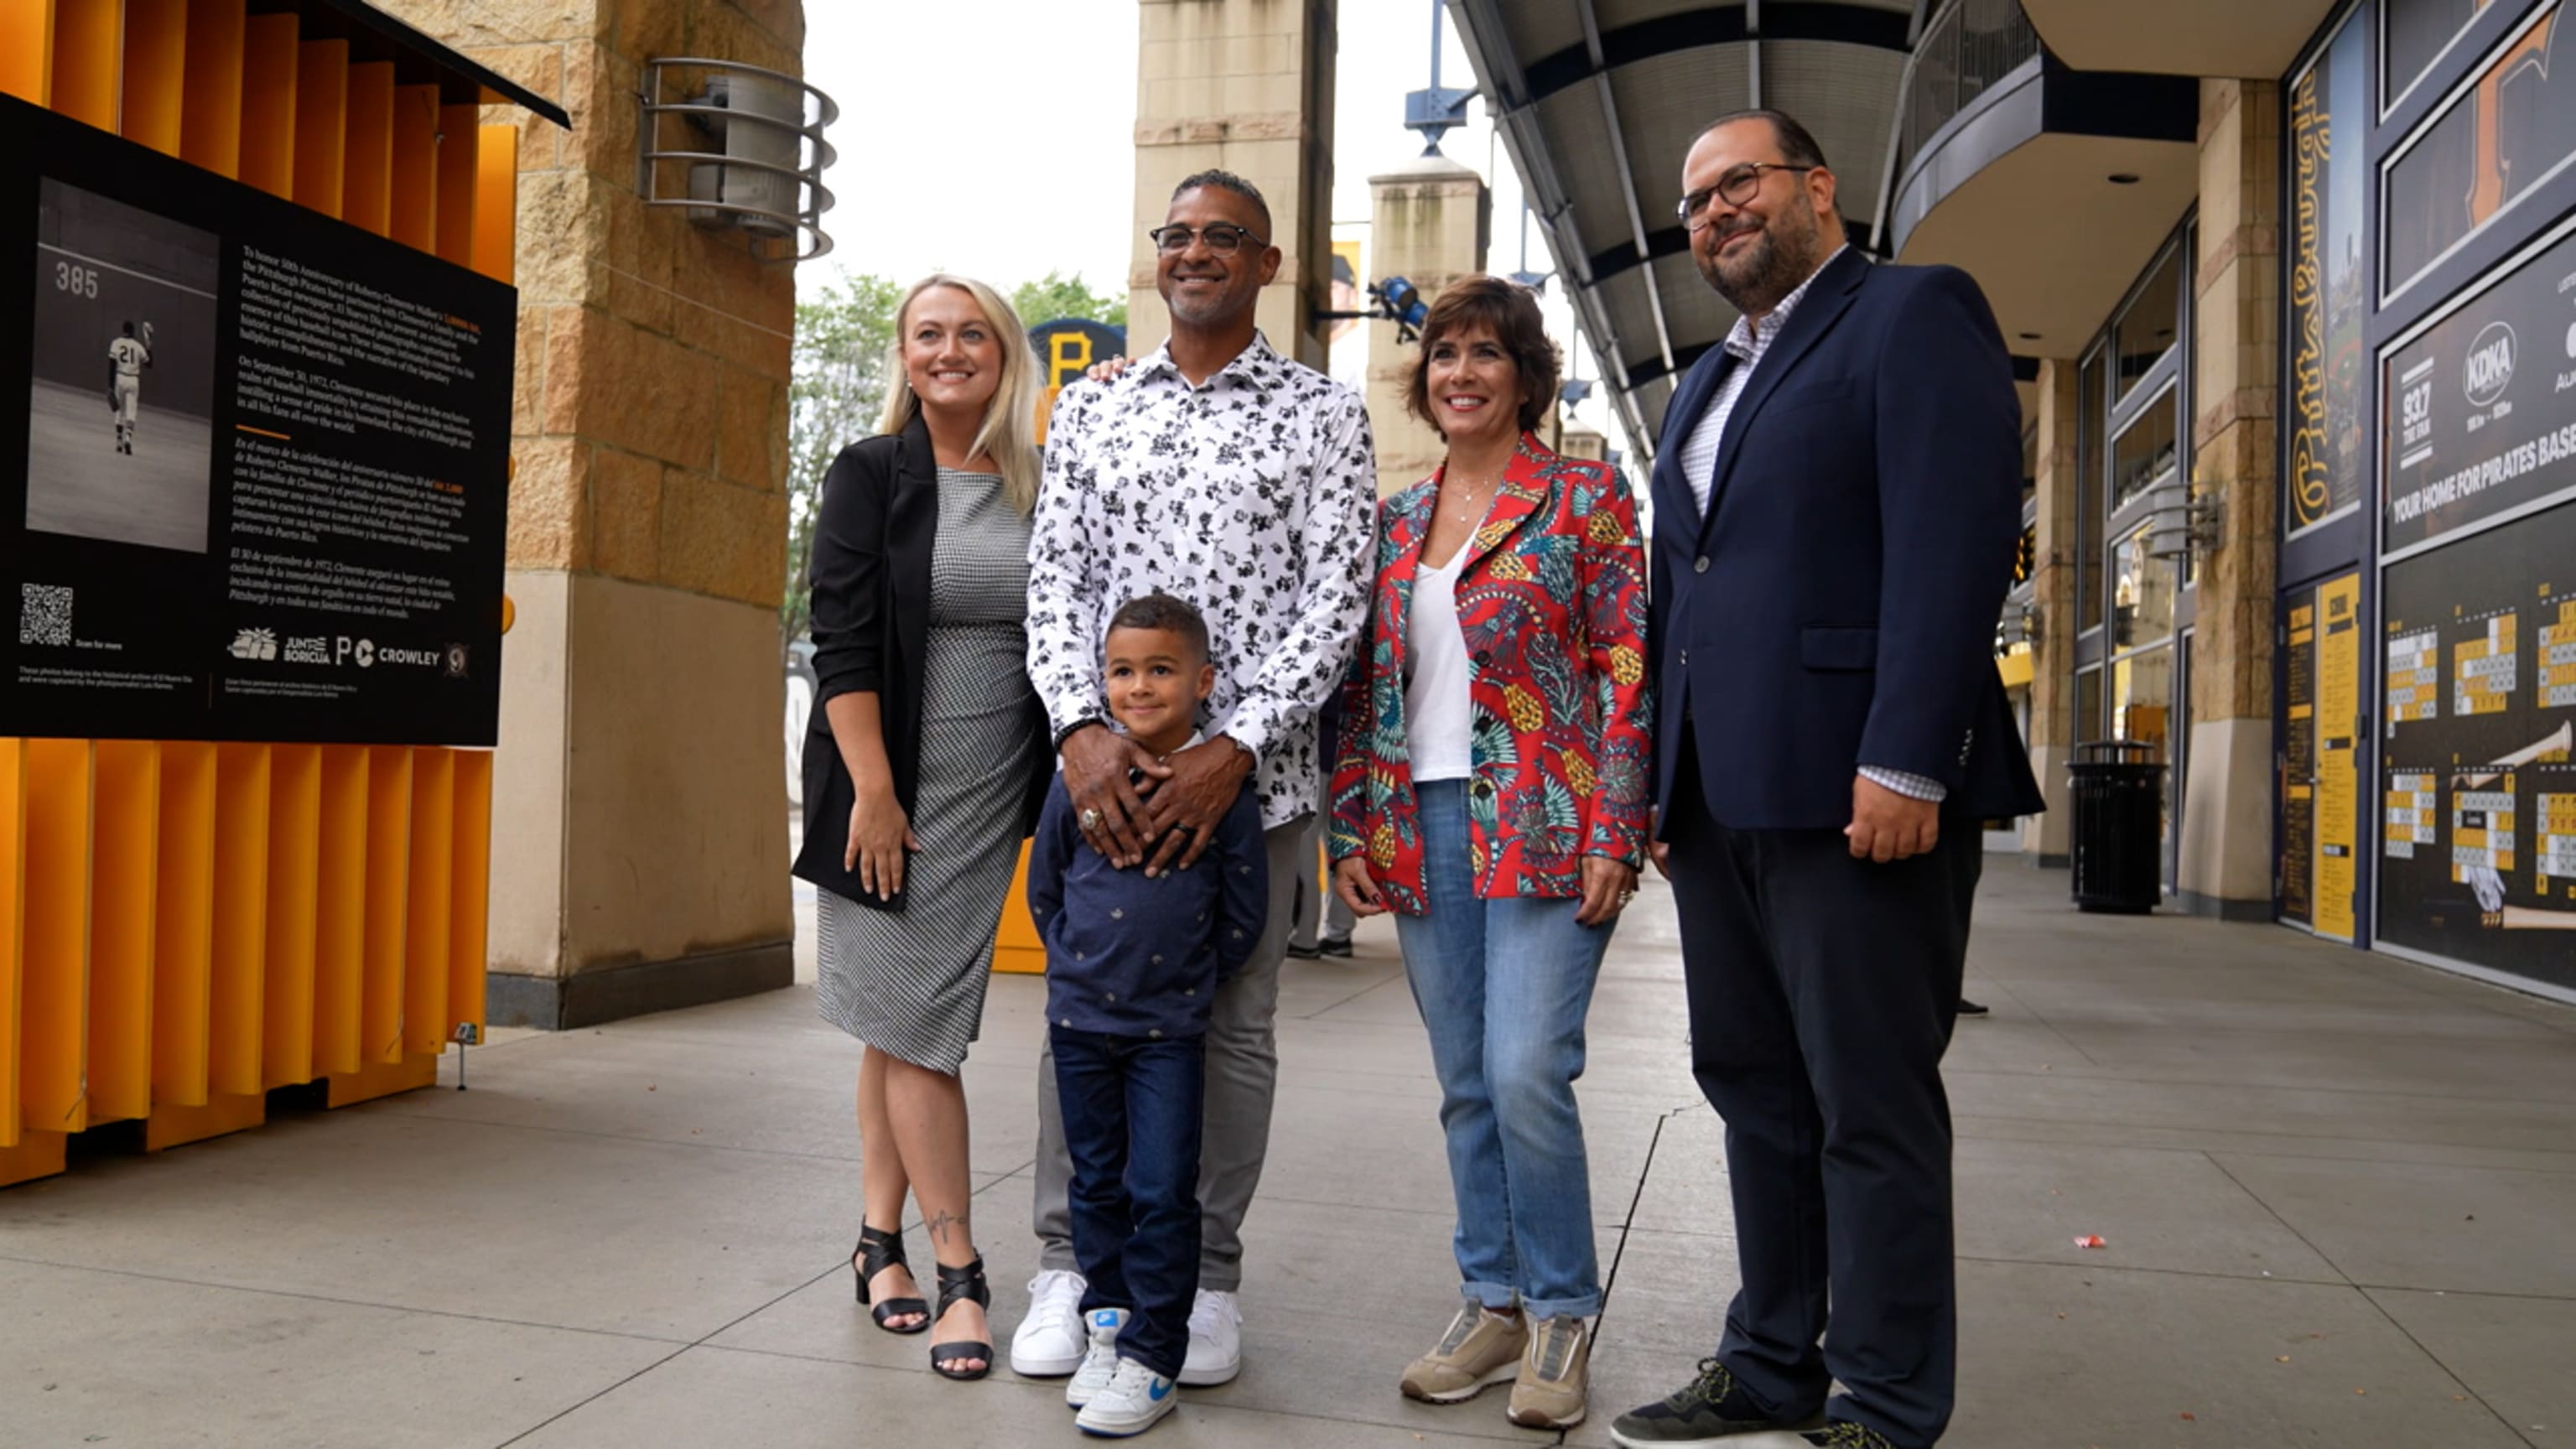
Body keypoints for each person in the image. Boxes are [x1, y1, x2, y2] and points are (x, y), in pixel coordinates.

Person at [1608, 111, 2044, 1449]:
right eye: (1695, 199)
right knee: (1754, 1089)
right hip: (1721, 799)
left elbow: (1951, 545)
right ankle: (1771, 1359)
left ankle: (1892, 1397)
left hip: (1862, 794)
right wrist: (1661, 787)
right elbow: (1687, 587)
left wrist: (1909, 756)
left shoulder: (1913, 316)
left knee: (1870, 1101)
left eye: (1738, 180)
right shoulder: (1704, 381)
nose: (1715, 211)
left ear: (1815, 186)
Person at [1016, 168, 1377, 1386]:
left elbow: (1339, 601)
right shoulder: (1094, 409)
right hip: (1104, 781)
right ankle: (1073, 1266)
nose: (1196, 252)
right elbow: (1056, 581)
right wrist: (1081, 732)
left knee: (1230, 1028)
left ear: (1269, 265)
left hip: (1250, 793)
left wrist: (1234, 746)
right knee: (1082, 1009)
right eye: (1177, 236)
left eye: (1225, 237)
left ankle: (1206, 1282)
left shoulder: (1325, 414)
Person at [1327, 275, 1650, 1431]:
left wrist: (1620, 825)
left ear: (1526, 378)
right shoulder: (1397, 523)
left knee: (1524, 1070)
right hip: (1424, 821)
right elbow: (1368, 691)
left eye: (1486, 354)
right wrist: (1354, 825)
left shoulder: (1585, 498)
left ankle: (1562, 1311)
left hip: (1551, 820)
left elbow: (1628, 669)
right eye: (1446, 356)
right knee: (1465, 1080)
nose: (1461, 372)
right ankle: (1490, 1301)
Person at [791, 273, 1052, 1383]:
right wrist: (878, 797)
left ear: (1004, 353)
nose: (951, 351)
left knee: (898, 1026)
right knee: (921, 1030)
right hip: (885, 787)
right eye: (929, 335)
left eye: (973, 333)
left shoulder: (1039, 478)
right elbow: (838, 642)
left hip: (993, 787)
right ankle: (957, 1269)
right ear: (905, 357)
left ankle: (872, 1245)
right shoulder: (869, 473)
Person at [1028, 594, 1269, 1438]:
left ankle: (1155, 1357)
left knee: (1162, 1190)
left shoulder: (1222, 793)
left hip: (1169, 1034)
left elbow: (1245, 911)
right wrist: (1074, 968)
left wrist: (1192, 980)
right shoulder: (1080, 782)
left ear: (1202, 681)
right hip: (1081, 1026)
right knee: (1095, 1181)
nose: (1139, 687)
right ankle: (1107, 1326)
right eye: (1123, 671)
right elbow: (1046, 888)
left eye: (1160, 671)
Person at [1286, 695, 1356, 958]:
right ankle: (1340, 932)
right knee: (1341, 845)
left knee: (1303, 850)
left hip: (1312, 758)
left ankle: (1304, 934)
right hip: (1348, 758)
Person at [107, 319, 151, 454]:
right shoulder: (138, 346)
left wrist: (110, 386)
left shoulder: (116, 343)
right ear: (133, 332)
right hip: (133, 380)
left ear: (123, 330)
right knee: (131, 411)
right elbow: (149, 364)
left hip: (119, 378)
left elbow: (112, 366)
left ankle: (119, 441)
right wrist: (149, 345)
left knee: (119, 411)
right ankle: (128, 438)